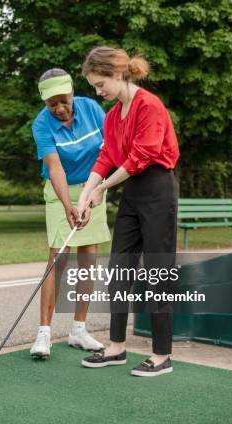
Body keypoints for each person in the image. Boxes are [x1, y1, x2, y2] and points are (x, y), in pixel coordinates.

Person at [77, 46, 180, 377]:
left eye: (100, 83)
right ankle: (117, 347)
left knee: (156, 273)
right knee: (120, 269)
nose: (98, 91)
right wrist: (86, 193)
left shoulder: (149, 106)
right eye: (94, 86)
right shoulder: (111, 117)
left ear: (117, 73)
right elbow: (107, 156)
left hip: (157, 188)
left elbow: (140, 158)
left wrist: (102, 189)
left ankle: (162, 355)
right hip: (133, 191)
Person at [30, 68, 111, 359]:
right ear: (45, 103)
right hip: (59, 191)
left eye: (64, 100)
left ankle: (78, 330)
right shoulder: (41, 124)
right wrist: (68, 206)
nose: (60, 108)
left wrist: (89, 197)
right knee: (58, 259)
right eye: (53, 104)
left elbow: (108, 151)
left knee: (88, 257)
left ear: (72, 92)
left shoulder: (92, 109)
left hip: (93, 186)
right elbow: (55, 167)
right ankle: (44, 334)